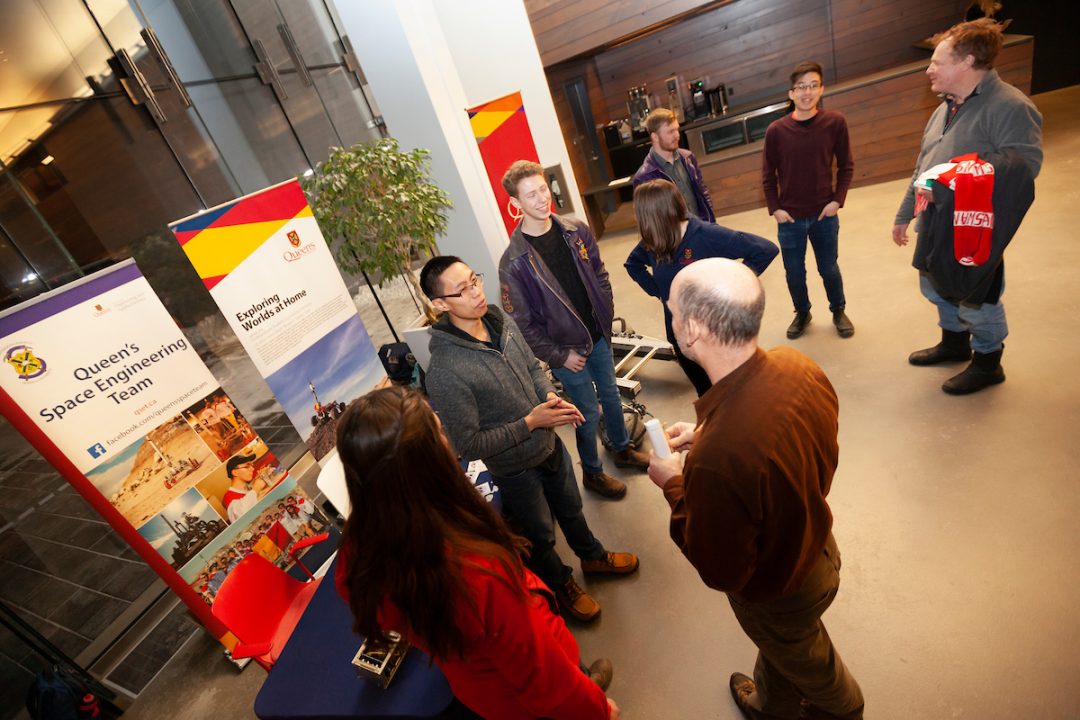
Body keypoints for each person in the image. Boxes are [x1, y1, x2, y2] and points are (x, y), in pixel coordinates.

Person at [647, 258, 865, 720]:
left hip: (777, 590)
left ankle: (845, 712)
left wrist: (674, 483)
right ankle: (770, 707)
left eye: (671, 311)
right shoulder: (799, 366)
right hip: (819, 547)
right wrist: (708, 429)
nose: (670, 320)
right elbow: (789, 451)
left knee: (812, 665)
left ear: (691, 330)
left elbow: (722, 570)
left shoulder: (719, 462)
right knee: (782, 651)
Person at [334, 386, 621, 719]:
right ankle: (589, 689)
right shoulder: (477, 571)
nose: (448, 438)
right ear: (425, 463)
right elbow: (544, 681)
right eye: (438, 430)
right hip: (535, 697)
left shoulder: (360, 548)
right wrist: (597, 710)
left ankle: (585, 681)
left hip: (482, 687)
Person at [421, 256, 639, 623]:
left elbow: (532, 370)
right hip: (515, 470)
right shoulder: (445, 371)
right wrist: (530, 422)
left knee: (571, 508)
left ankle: (592, 556)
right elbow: (468, 445)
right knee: (539, 535)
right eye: (464, 290)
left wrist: (548, 399)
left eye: (475, 280)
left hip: (549, 445)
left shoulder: (500, 320)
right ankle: (561, 585)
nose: (477, 293)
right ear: (440, 305)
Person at [892, 19, 1042, 394]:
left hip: (973, 226)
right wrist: (904, 213)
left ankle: (988, 362)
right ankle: (954, 344)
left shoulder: (1010, 107)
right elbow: (924, 165)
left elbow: (1024, 169)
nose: (929, 69)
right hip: (935, 221)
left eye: (937, 62)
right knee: (936, 285)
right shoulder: (946, 106)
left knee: (978, 297)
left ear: (967, 62)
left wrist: (957, 183)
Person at [499, 160, 650, 497]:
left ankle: (621, 448)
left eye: (543, 189)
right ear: (515, 204)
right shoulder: (514, 263)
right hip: (567, 354)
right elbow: (523, 325)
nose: (541, 199)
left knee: (611, 395)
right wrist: (559, 356)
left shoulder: (575, 230)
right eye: (530, 195)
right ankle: (593, 474)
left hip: (597, 335)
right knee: (585, 413)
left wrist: (605, 320)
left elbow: (600, 275)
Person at [626, 179, 778, 396]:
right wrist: (658, 291)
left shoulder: (706, 235)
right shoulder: (653, 242)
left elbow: (765, 249)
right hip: (680, 337)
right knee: (706, 394)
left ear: (651, 216)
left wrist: (732, 284)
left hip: (713, 336)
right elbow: (633, 265)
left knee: (731, 393)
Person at [762, 61, 856, 340]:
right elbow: (768, 175)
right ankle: (802, 312)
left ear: (821, 89)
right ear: (791, 94)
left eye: (813, 85)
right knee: (794, 272)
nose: (807, 92)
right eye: (801, 87)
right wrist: (775, 209)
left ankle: (838, 310)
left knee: (829, 268)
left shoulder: (835, 122)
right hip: (789, 218)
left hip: (824, 214)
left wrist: (837, 201)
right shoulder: (776, 131)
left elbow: (846, 166)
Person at [631, 108, 715, 222]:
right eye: (671, 131)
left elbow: (703, 193)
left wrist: (711, 222)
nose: (677, 135)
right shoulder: (644, 177)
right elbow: (649, 221)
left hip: (701, 228)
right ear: (655, 136)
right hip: (675, 237)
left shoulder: (688, 158)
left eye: (677, 129)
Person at [222, 452, 263, 522]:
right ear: (235, 473)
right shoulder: (228, 497)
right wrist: (257, 487)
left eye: (251, 465)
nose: (252, 469)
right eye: (247, 466)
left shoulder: (247, 488)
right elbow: (240, 513)